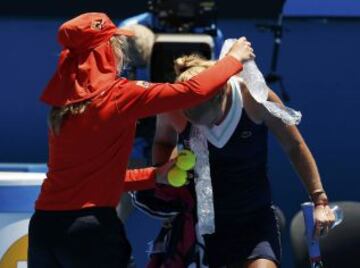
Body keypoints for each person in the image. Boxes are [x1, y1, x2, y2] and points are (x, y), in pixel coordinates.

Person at [28, 12, 255, 268]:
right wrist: (234, 59)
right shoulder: (119, 95)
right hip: (90, 233)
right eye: (115, 44)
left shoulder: (61, 109)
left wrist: (155, 175)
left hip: (43, 229)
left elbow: (93, 181)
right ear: (106, 50)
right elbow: (192, 92)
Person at [133, 54, 335, 268]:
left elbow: (294, 146)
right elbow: (163, 142)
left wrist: (320, 201)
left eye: (206, 122)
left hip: (254, 221)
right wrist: (164, 179)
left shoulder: (255, 97)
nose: (203, 130)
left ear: (221, 95)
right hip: (201, 224)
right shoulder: (173, 102)